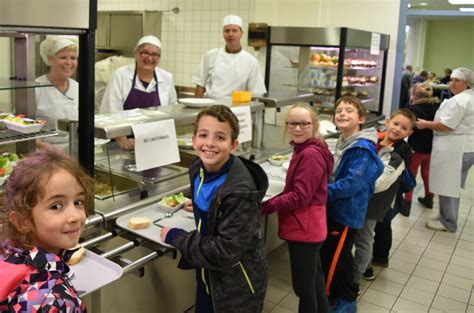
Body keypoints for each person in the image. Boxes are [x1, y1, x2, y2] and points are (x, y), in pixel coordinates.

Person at [160, 105, 268, 313]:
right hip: (207, 274)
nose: (209, 143)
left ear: (234, 145)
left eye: (220, 137)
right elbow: (213, 197)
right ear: (194, 140)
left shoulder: (240, 192)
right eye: (203, 135)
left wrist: (177, 237)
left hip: (236, 285)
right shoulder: (198, 169)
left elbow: (224, 251)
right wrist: (204, 207)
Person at [0, 147, 94, 312]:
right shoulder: (59, 302)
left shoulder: (8, 252)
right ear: (22, 221)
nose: (75, 217)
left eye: (78, 202)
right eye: (56, 206)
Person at [262, 103, 334, 313]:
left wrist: (266, 206)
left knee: (304, 288)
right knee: (314, 280)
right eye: (293, 123)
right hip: (311, 227)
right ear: (286, 126)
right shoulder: (305, 149)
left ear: (314, 125)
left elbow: (301, 197)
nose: (298, 128)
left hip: (305, 229)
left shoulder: (309, 155)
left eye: (304, 123)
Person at [320, 96, 383, 312]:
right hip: (338, 209)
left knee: (338, 260)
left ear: (361, 119)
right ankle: (337, 297)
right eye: (339, 111)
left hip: (346, 213)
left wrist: (321, 191)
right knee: (335, 256)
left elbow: (351, 184)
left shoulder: (361, 147)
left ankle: (344, 302)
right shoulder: (345, 140)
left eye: (349, 110)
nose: (342, 114)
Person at [354, 109, 415, 283]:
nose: (397, 129)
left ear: (409, 133)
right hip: (362, 198)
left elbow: (380, 183)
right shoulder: (376, 139)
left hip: (374, 203)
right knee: (360, 236)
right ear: (388, 121)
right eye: (396, 124)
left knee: (364, 239)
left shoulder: (399, 155)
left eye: (403, 128)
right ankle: (367, 269)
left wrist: (355, 184)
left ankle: (354, 282)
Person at [416, 67, 474, 232]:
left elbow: (447, 125)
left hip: (457, 148)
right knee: (448, 183)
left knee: (449, 184)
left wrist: (425, 124)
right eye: (452, 80)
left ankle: (448, 222)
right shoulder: (468, 97)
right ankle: (444, 214)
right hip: (464, 146)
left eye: (457, 80)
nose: (452, 83)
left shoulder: (460, 100)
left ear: (467, 83)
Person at [100, 35, 177, 150]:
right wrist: (122, 139)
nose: (149, 58)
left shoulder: (166, 78)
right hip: (125, 142)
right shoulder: (121, 75)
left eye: (155, 54)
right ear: (136, 53)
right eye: (145, 52)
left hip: (155, 141)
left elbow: (172, 111)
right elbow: (111, 110)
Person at [192, 15, 266, 99]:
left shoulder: (251, 62)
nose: (230, 34)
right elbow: (200, 84)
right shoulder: (210, 55)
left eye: (234, 30)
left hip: (238, 109)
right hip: (212, 107)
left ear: (241, 34)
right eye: (227, 31)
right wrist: (196, 108)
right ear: (223, 34)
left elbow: (256, 93)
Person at [36, 36, 79, 150]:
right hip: (44, 154)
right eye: (63, 57)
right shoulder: (36, 87)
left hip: (75, 150)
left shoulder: (77, 87)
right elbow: (21, 128)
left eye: (73, 58)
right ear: (50, 59)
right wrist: (50, 149)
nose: (69, 62)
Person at [403, 84, 440, 212]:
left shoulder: (414, 109)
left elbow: (410, 127)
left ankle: (406, 204)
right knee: (427, 173)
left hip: (416, 148)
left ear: (414, 95)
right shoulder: (437, 106)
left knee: (411, 174)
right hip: (432, 146)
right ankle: (429, 199)